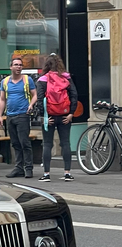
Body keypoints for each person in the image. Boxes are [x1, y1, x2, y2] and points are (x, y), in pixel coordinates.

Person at [36, 54, 78, 182]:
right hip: (65, 116)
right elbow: (74, 95)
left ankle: (47, 174)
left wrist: (44, 117)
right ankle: (67, 173)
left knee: (47, 144)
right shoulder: (66, 78)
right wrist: (71, 113)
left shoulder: (43, 80)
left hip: (49, 117)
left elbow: (39, 99)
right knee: (65, 143)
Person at [0, 57, 38, 178]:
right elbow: (2, 99)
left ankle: (28, 168)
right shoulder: (5, 82)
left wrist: (31, 104)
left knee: (25, 142)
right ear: (11, 67)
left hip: (23, 115)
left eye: (20, 65)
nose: (18, 67)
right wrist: (0, 116)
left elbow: (35, 95)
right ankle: (19, 168)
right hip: (10, 116)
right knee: (15, 143)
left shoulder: (27, 80)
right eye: (16, 65)